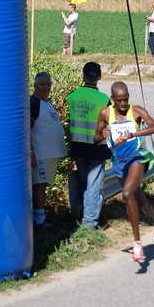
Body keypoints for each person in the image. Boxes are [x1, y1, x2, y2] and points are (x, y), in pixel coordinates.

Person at [94, 82, 154, 263]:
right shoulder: (105, 113)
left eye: (126, 99)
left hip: (136, 158)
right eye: (119, 100)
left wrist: (132, 135)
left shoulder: (136, 111)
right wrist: (101, 135)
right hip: (118, 162)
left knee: (127, 193)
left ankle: (136, 243)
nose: (123, 103)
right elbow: (95, 138)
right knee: (139, 200)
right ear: (112, 99)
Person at [66, 62, 111, 228]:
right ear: (99, 77)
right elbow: (108, 123)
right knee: (93, 186)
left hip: (78, 147)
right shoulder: (104, 99)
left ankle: (81, 215)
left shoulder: (72, 97)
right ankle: (89, 223)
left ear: (83, 76)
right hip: (97, 147)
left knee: (85, 182)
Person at [30, 72, 67, 229]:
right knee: (39, 185)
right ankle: (39, 220)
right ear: (35, 86)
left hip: (49, 154)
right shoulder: (34, 102)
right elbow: (26, 128)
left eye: (48, 84)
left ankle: (36, 217)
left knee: (42, 185)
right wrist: (31, 153)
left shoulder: (46, 103)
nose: (46, 87)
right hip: (41, 155)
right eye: (42, 85)